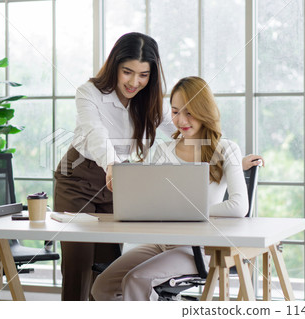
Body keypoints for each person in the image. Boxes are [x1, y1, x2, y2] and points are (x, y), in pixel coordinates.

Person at [54, 32, 263, 301]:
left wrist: (229, 158)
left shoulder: (149, 100)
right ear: (114, 66)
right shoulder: (89, 92)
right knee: (78, 264)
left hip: (118, 179)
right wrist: (112, 165)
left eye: (143, 75)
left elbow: (186, 122)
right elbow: (96, 134)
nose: (134, 82)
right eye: (127, 72)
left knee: (105, 265)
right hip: (81, 176)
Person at [91, 76, 250, 301]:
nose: (181, 120)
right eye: (175, 112)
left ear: (204, 111)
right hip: (161, 242)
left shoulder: (226, 149)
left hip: (199, 248)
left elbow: (239, 207)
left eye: (189, 112)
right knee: (103, 286)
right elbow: (155, 202)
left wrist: (186, 210)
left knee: (136, 280)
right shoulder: (165, 150)